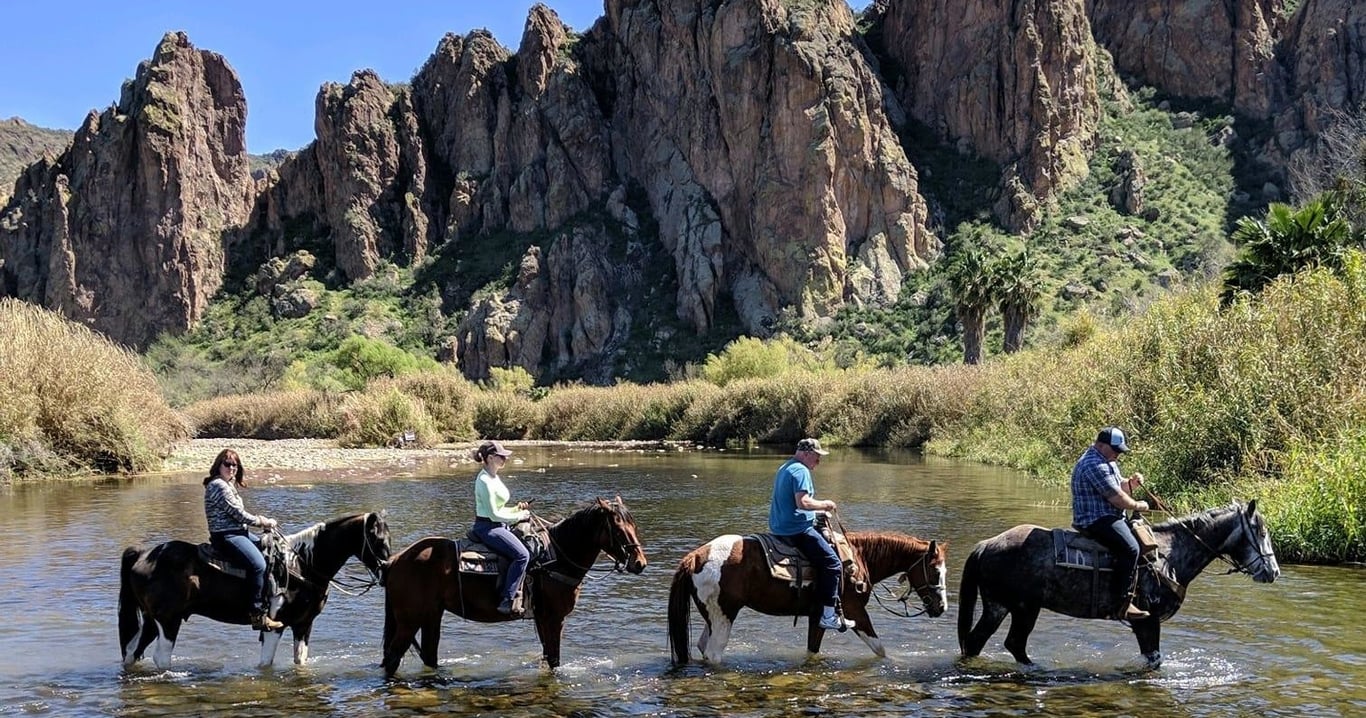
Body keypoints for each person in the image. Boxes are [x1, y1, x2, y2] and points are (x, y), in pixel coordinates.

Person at [769, 438, 853, 631]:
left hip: (780, 526)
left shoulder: (786, 467)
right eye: (817, 456)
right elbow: (803, 502)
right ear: (806, 454)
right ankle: (829, 615)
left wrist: (816, 513)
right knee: (833, 563)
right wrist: (826, 504)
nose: (819, 461)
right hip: (796, 530)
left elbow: (793, 504)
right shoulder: (801, 470)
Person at [1072, 426, 1151, 621]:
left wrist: (1130, 484)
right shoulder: (1093, 464)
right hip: (1095, 519)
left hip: (1108, 515)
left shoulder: (1106, 459)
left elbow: (1118, 486)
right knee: (1131, 548)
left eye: (1119, 450)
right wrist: (1138, 505)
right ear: (1101, 445)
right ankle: (1120, 602)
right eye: (1115, 450)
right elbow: (1117, 498)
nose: (1118, 454)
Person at [203, 449, 285, 631]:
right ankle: (257, 614)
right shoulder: (219, 486)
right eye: (227, 464)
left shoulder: (228, 484)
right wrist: (262, 521)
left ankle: (271, 599)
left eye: (235, 465)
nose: (231, 468)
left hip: (239, 532)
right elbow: (238, 514)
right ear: (219, 466)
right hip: (226, 535)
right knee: (258, 565)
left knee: (271, 551)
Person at [471, 440, 531, 616]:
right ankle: (507, 599)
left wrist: (515, 509)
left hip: (498, 524)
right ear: (490, 458)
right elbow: (493, 514)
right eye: (501, 456)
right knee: (522, 555)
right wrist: (519, 516)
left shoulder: (493, 476)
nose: (505, 459)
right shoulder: (484, 480)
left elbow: (499, 508)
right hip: (487, 527)